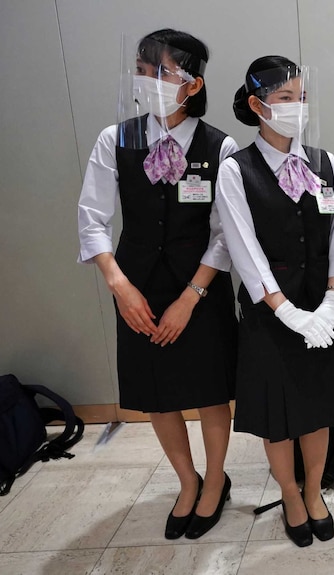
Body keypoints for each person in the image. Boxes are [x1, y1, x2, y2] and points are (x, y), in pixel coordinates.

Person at [77, 29, 237, 540]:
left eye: (161, 71)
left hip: (201, 290)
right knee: (159, 394)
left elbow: (225, 232)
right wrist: (119, 286)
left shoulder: (221, 146)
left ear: (192, 84)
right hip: (138, 288)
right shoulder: (116, 139)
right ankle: (186, 481)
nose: (147, 80)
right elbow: (92, 219)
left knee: (211, 391)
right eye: (143, 71)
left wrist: (192, 297)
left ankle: (215, 481)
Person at [215, 55, 334, 548]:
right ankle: (291, 495)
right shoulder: (237, 169)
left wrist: (333, 300)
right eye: (284, 99)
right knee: (278, 416)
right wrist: (285, 310)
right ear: (257, 105)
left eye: (301, 98)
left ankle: (315, 490)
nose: (296, 107)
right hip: (271, 314)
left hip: (323, 308)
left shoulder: (323, 162)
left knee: (318, 407)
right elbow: (242, 246)